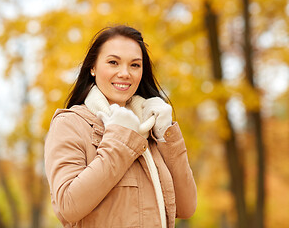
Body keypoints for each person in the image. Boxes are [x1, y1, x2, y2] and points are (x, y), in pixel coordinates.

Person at [44, 25, 197, 228]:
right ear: (93, 67)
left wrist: (166, 136)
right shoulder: (70, 124)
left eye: (134, 65)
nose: (124, 73)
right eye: (113, 62)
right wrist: (120, 140)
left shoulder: (149, 126)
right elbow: (68, 206)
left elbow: (186, 207)